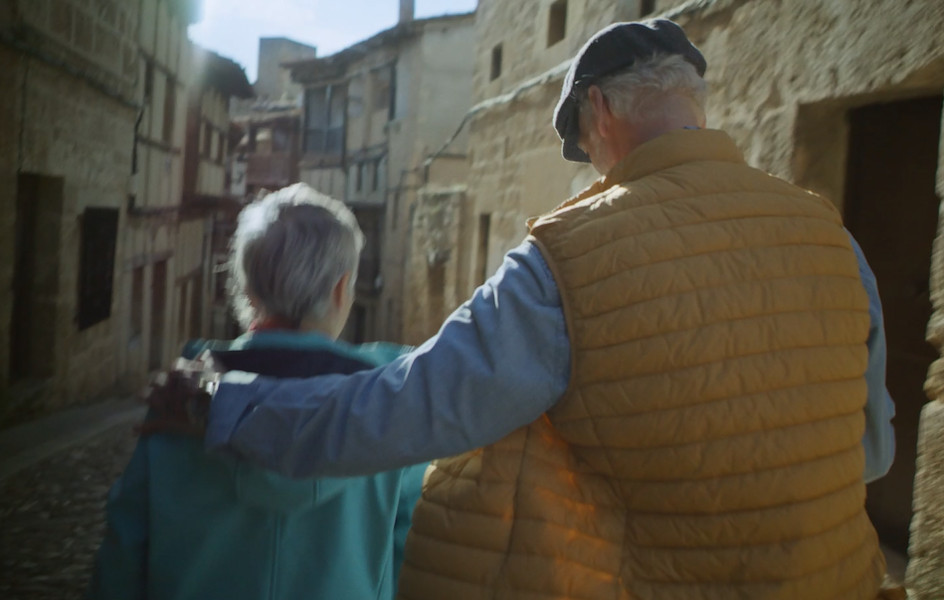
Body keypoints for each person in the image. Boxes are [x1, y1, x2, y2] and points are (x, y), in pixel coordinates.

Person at [149, 19, 898, 599]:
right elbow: (873, 451)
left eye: (583, 145)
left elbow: (404, 410)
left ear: (597, 111)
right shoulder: (830, 234)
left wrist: (228, 408)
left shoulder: (568, 257)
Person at [89, 184, 427, 600]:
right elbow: (410, 556)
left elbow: (124, 552)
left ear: (247, 290)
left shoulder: (182, 398)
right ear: (342, 290)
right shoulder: (386, 407)